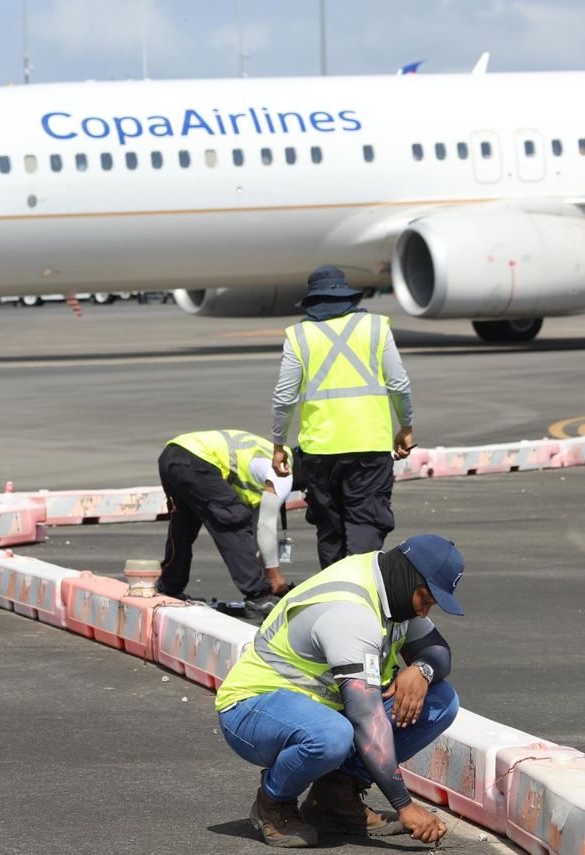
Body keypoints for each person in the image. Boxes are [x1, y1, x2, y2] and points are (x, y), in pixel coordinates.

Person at [215, 534, 464, 848]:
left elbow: (439, 651)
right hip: (253, 708)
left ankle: (335, 798)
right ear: (409, 577)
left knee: (441, 701)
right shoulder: (352, 611)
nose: (425, 612)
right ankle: (272, 802)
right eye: (425, 600)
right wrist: (405, 805)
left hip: (322, 710)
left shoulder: (393, 590)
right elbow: (366, 720)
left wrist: (422, 670)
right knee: (333, 736)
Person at [271, 265, 414, 569]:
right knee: (367, 523)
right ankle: (362, 596)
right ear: (348, 297)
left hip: (320, 451)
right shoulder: (375, 327)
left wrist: (278, 444)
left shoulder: (299, 336)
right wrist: (406, 426)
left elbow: (284, 397)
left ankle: (334, 599)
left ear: (312, 301)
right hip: (370, 446)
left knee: (330, 529)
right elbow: (399, 383)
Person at [157, 429, 306, 620]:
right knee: (232, 519)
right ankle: (258, 597)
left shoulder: (267, 456)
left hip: (172, 454)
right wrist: (274, 578)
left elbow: (255, 533)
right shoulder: (283, 471)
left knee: (184, 525)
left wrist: (265, 569)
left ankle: (170, 585)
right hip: (197, 460)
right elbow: (265, 527)